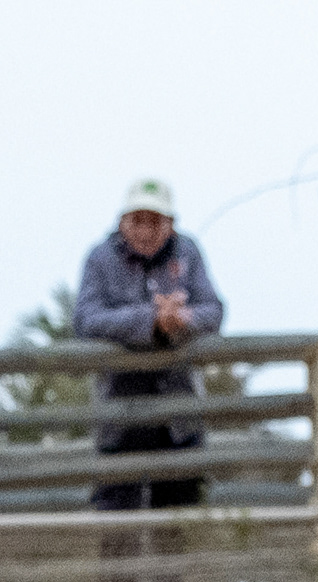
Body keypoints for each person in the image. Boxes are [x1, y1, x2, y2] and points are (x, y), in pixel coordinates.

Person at [76, 180, 226, 511]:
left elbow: (213, 310)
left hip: (179, 413)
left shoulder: (188, 252)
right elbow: (87, 320)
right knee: (117, 519)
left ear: (171, 224)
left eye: (155, 221)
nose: (146, 230)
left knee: (180, 517)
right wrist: (150, 320)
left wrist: (182, 319)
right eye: (137, 220)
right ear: (121, 222)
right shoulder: (100, 259)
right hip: (119, 412)